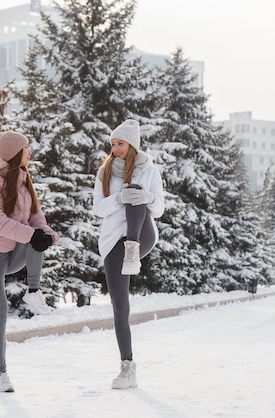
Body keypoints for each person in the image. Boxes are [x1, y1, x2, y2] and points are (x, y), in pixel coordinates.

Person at [0, 130, 60, 392]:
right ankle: (1, 375)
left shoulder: (25, 182)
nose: (30, 152)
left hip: (13, 254)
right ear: (15, 152)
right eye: (26, 148)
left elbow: (36, 218)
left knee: (37, 237)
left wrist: (46, 234)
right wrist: (32, 234)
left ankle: (33, 292)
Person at [93, 119, 165, 389]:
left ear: (132, 144)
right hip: (113, 242)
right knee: (120, 307)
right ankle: (127, 367)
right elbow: (98, 208)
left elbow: (159, 209)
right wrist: (119, 198)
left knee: (137, 194)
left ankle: (132, 249)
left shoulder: (150, 170)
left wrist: (143, 196)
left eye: (120, 143)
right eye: (113, 144)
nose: (115, 148)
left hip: (142, 235)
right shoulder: (105, 171)